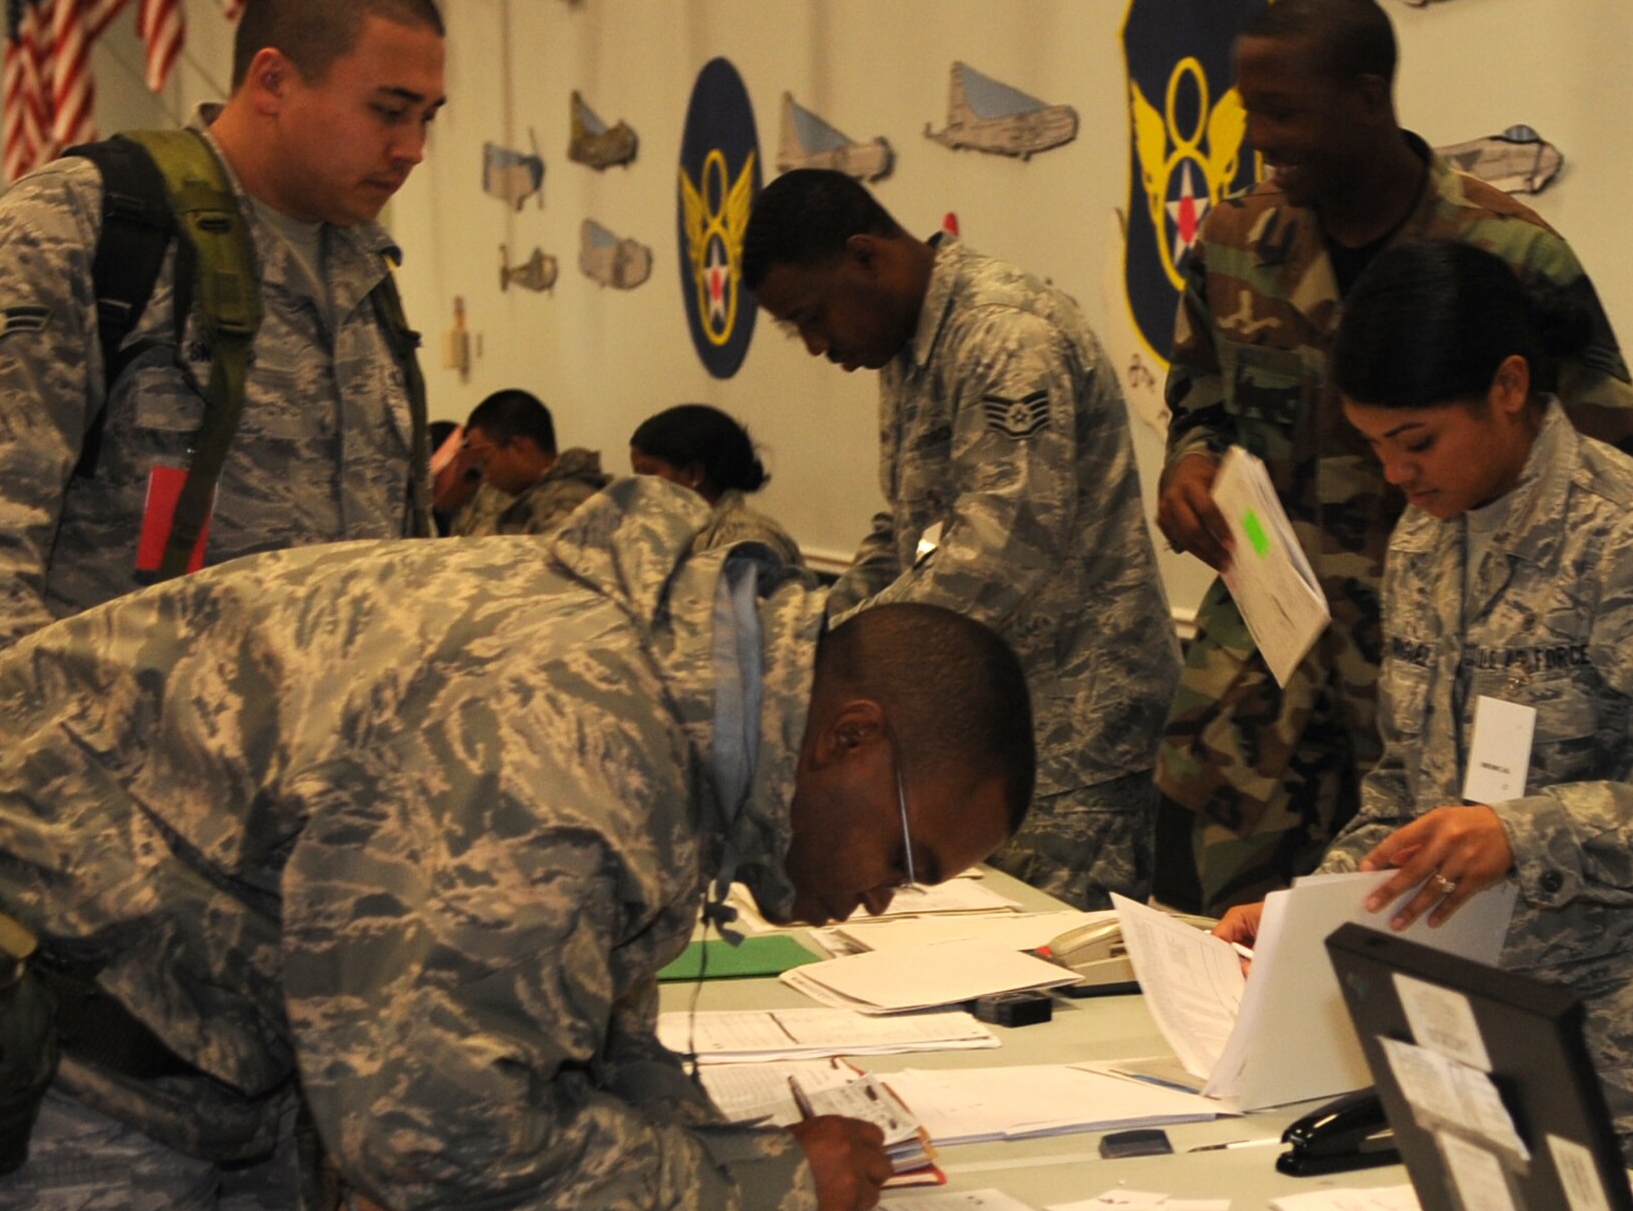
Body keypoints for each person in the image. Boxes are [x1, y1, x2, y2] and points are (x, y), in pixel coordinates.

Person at [0, 479, 1035, 1211]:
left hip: (184, 1012)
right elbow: (446, 1142)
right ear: (847, 739)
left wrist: (714, 1146)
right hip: (9, 1016)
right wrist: (765, 1188)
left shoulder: (678, 687)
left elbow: (563, 1014)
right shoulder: (561, 750)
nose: (881, 902)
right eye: (904, 860)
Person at [1215, 241, 1633, 1211]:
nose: (1395, 473)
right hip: (1472, 1050)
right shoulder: (1428, 540)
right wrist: (1312, 907)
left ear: (1508, 386)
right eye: (1375, 447)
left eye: (1416, 440)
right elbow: (1404, 787)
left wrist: (1521, 833)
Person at [1155, 0, 1633, 918]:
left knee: (1426, 966)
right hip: (1270, 698)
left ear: (1366, 96)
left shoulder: (1506, 254)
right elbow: (1204, 402)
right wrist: (1189, 462)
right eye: (1247, 111)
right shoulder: (1231, 244)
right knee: (1249, 958)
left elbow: (1611, 480)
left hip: (1453, 709)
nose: (1259, 136)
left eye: (1283, 111)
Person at [0, 0, 448, 725]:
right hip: (107, 793)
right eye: (388, 110)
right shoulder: (85, 226)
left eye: (426, 118)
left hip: (323, 795)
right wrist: (55, 773)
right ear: (273, 80)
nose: (412, 149)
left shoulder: (365, 274)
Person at [743, 169, 1178, 911]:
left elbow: (1003, 545)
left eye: (813, 316)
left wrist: (832, 665)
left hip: (1072, 738)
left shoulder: (1007, 335)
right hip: (969, 733)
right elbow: (906, 529)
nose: (817, 345)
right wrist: (807, 643)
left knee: (1048, 977)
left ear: (865, 257)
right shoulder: (912, 347)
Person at [630, 402, 803, 564]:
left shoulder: (745, 542)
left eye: (648, 472)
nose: (638, 485)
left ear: (693, 475)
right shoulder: (677, 532)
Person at [444, 387, 611, 537]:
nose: (486, 475)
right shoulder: (502, 496)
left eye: (487, 461)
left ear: (519, 447)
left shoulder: (571, 505)